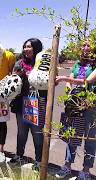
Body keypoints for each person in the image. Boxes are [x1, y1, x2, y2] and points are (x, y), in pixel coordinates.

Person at [55, 41, 96, 180]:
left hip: (91, 106)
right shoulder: (78, 64)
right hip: (75, 105)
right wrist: (67, 85)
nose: (85, 48)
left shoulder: (95, 64)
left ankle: (85, 171)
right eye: (83, 45)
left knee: (90, 140)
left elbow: (87, 81)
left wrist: (62, 78)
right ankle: (67, 166)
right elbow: (71, 79)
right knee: (72, 137)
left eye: (88, 45)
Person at [8, 38, 44, 171]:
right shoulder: (19, 63)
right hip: (21, 103)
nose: (26, 49)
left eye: (29, 47)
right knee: (21, 132)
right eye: (24, 47)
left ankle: (39, 160)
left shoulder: (42, 65)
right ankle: (19, 155)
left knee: (37, 133)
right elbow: (12, 81)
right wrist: (16, 75)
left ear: (36, 48)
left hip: (37, 103)